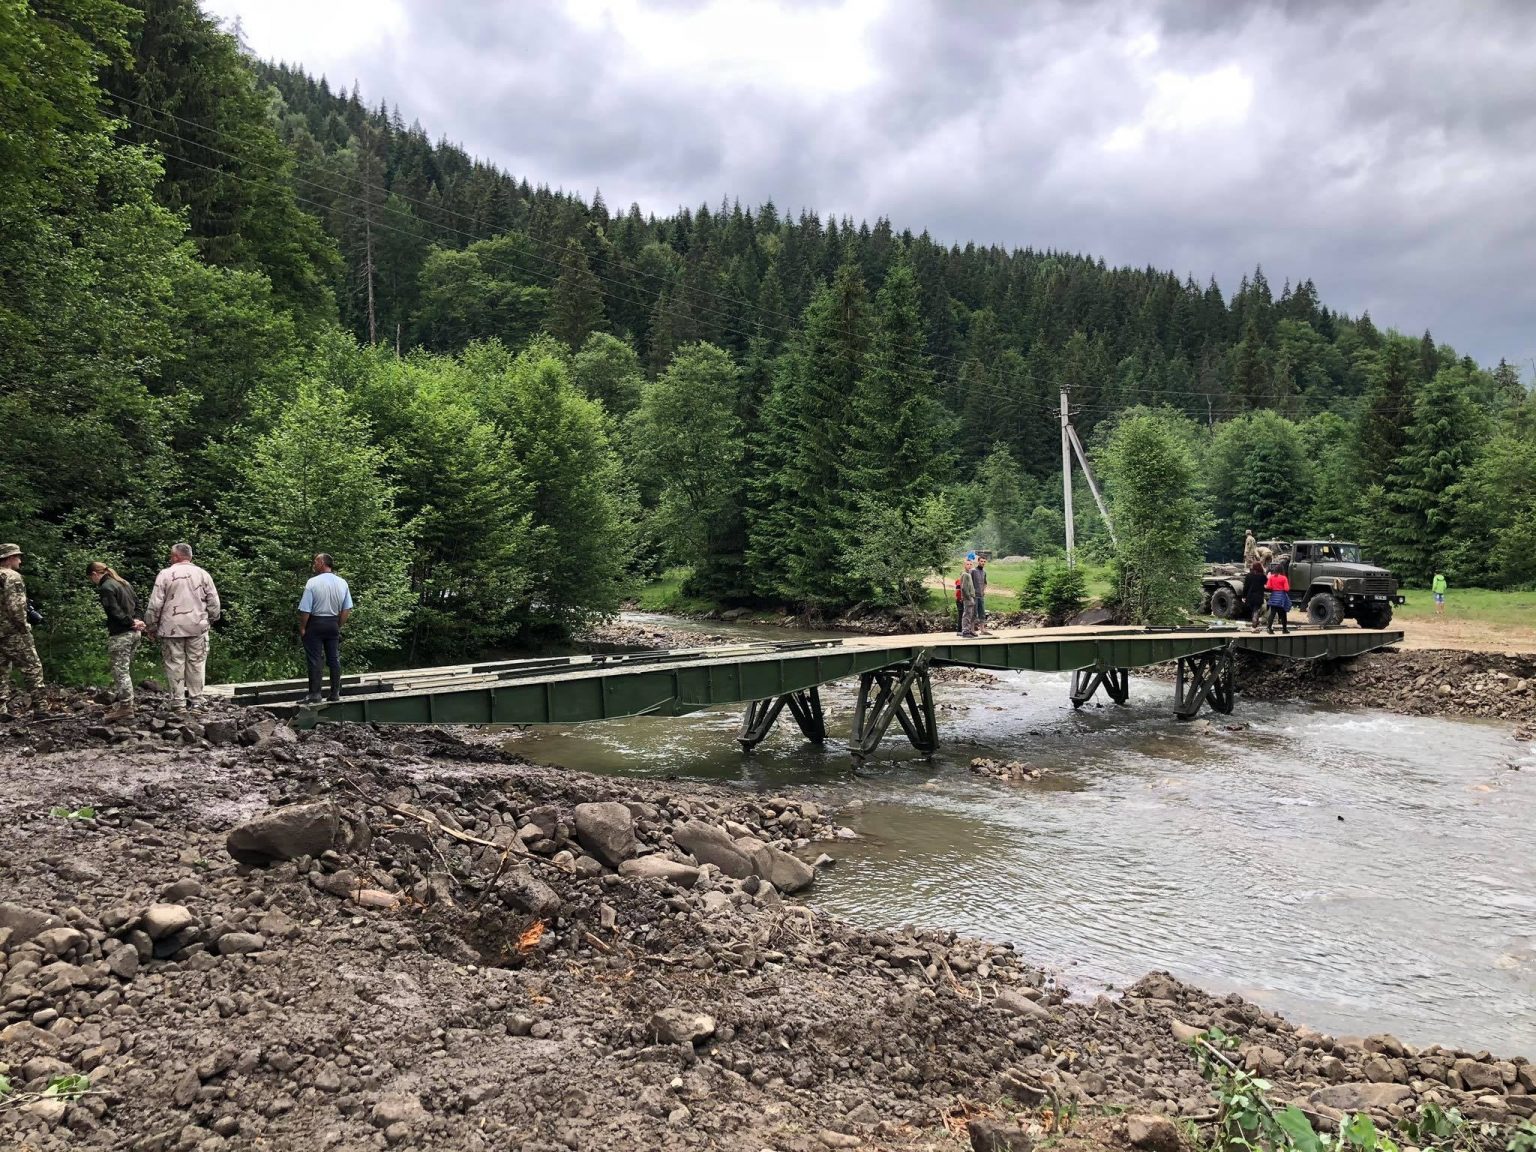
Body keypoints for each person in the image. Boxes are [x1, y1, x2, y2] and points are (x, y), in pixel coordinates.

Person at [143, 542, 221, 711]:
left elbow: (155, 604)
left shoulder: (165, 574)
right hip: (197, 627)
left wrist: (151, 625)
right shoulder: (203, 574)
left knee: (174, 663)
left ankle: (178, 703)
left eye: (171, 556)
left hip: (171, 628)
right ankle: (197, 701)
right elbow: (214, 601)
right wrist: (212, 619)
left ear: (176, 557)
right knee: (197, 662)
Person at [87, 562, 145, 710]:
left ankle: (126, 707)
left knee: (120, 671)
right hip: (135, 632)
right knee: (125, 668)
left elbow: (114, 611)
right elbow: (138, 604)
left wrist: (130, 623)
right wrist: (137, 620)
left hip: (121, 633)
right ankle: (127, 702)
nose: (92, 581)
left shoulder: (106, 587)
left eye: (90, 578)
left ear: (94, 574)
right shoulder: (124, 583)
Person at [298, 553, 353, 704]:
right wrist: (338, 625)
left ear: (322, 563)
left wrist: (303, 627)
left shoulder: (312, 583)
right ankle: (335, 693)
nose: (314, 564)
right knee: (333, 658)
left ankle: (315, 694)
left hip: (315, 623)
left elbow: (305, 609)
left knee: (315, 659)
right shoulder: (342, 583)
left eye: (316, 561)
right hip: (333, 623)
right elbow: (346, 609)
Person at [0, 543, 45, 705]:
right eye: (18, 557)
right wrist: (24, 627)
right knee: (32, 667)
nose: (20, 561)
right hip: (12, 632)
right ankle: (41, 708)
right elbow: (16, 607)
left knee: (1, 670)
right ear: (10, 558)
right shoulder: (12, 576)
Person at [1263, 563, 1292, 634]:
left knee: (1272, 613)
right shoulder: (1284, 578)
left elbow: (1268, 587)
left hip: (1274, 596)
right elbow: (1287, 588)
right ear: (1282, 570)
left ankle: (1269, 628)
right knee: (1283, 614)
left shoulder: (1272, 577)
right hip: (1281, 597)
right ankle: (1284, 629)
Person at [1242, 560, 1266, 633]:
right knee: (1256, 611)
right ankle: (1253, 627)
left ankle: (1255, 626)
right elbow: (1266, 584)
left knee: (1254, 611)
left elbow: (1245, 587)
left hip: (1250, 596)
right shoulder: (1262, 576)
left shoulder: (1248, 576)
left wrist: (1244, 596)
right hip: (1258, 596)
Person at [959, 558, 979, 638]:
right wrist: (969, 597)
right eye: (967, 564)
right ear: (964, 565)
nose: (969, 566)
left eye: (971, 564)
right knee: (967, 614)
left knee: (971, 614)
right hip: (968, 598)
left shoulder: (969, 574)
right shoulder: (965, 574)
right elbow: (964, 588)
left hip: (971, 597)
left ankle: (969, 630)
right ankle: (965, 631)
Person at [973, 553, 989, 634]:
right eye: (981, 561)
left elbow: (985, 583)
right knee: (974, 613)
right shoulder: (973, 571)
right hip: (974, 596)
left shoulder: (984, 572)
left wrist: (984, 590)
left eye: (984, 561)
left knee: (982, 613)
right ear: (978, 561)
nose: (983, 563)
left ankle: (982, 630)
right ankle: (972, 630)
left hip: (981, 596)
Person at [953, 571, 964, 636]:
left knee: (962, 615)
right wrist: (959, 599)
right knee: (961, 615)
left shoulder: (960, 582)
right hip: (960, 600)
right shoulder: (959, 582)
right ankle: (959, 630)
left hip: (961, 600)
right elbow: (957, 592)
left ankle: (962, 629)